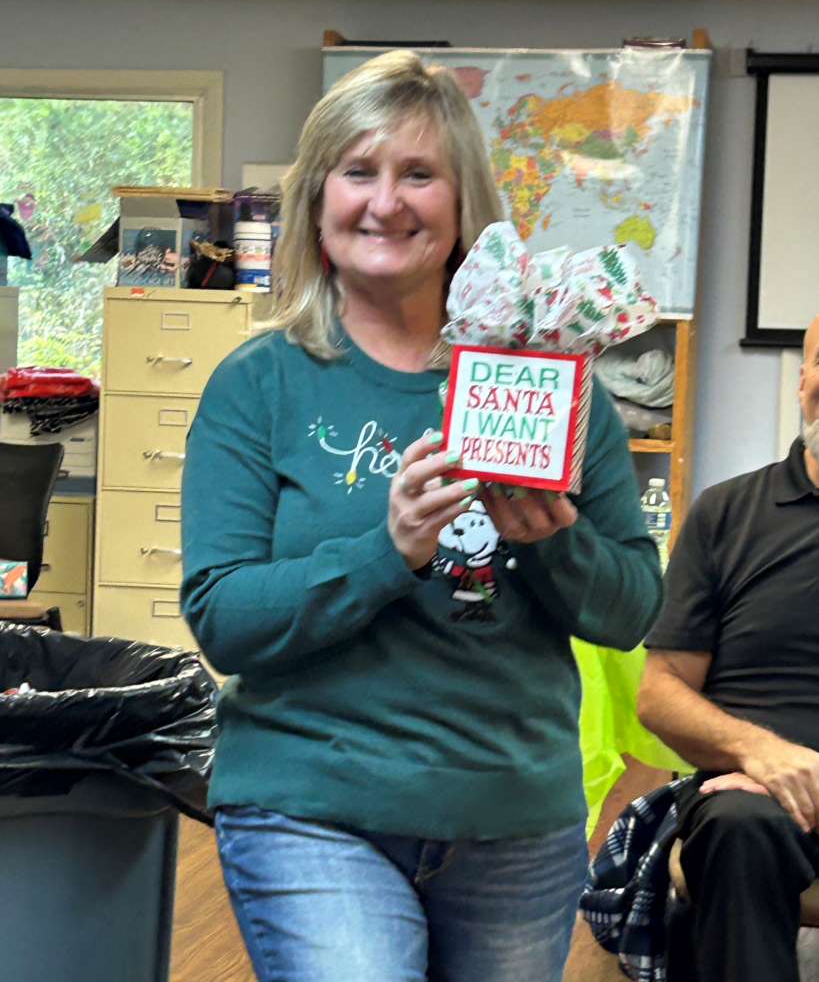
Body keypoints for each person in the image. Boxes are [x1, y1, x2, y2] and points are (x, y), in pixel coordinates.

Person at [180, 49, 663, 982]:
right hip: (306, 805)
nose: (385, 202)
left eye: (418, 174)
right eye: (357, 171)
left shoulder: (552, 385)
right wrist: (387, 550)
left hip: (514, 820)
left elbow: (633, 608)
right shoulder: (259, 385)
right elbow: (224, 620)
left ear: (461, 201)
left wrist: (556, 545)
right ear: (317, 199)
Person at [637, 312, 819, 982]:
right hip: (753, 797)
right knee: (736, 823)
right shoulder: (726, 512)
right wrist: (761, 755)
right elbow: (658, 692)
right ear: (801, 378)